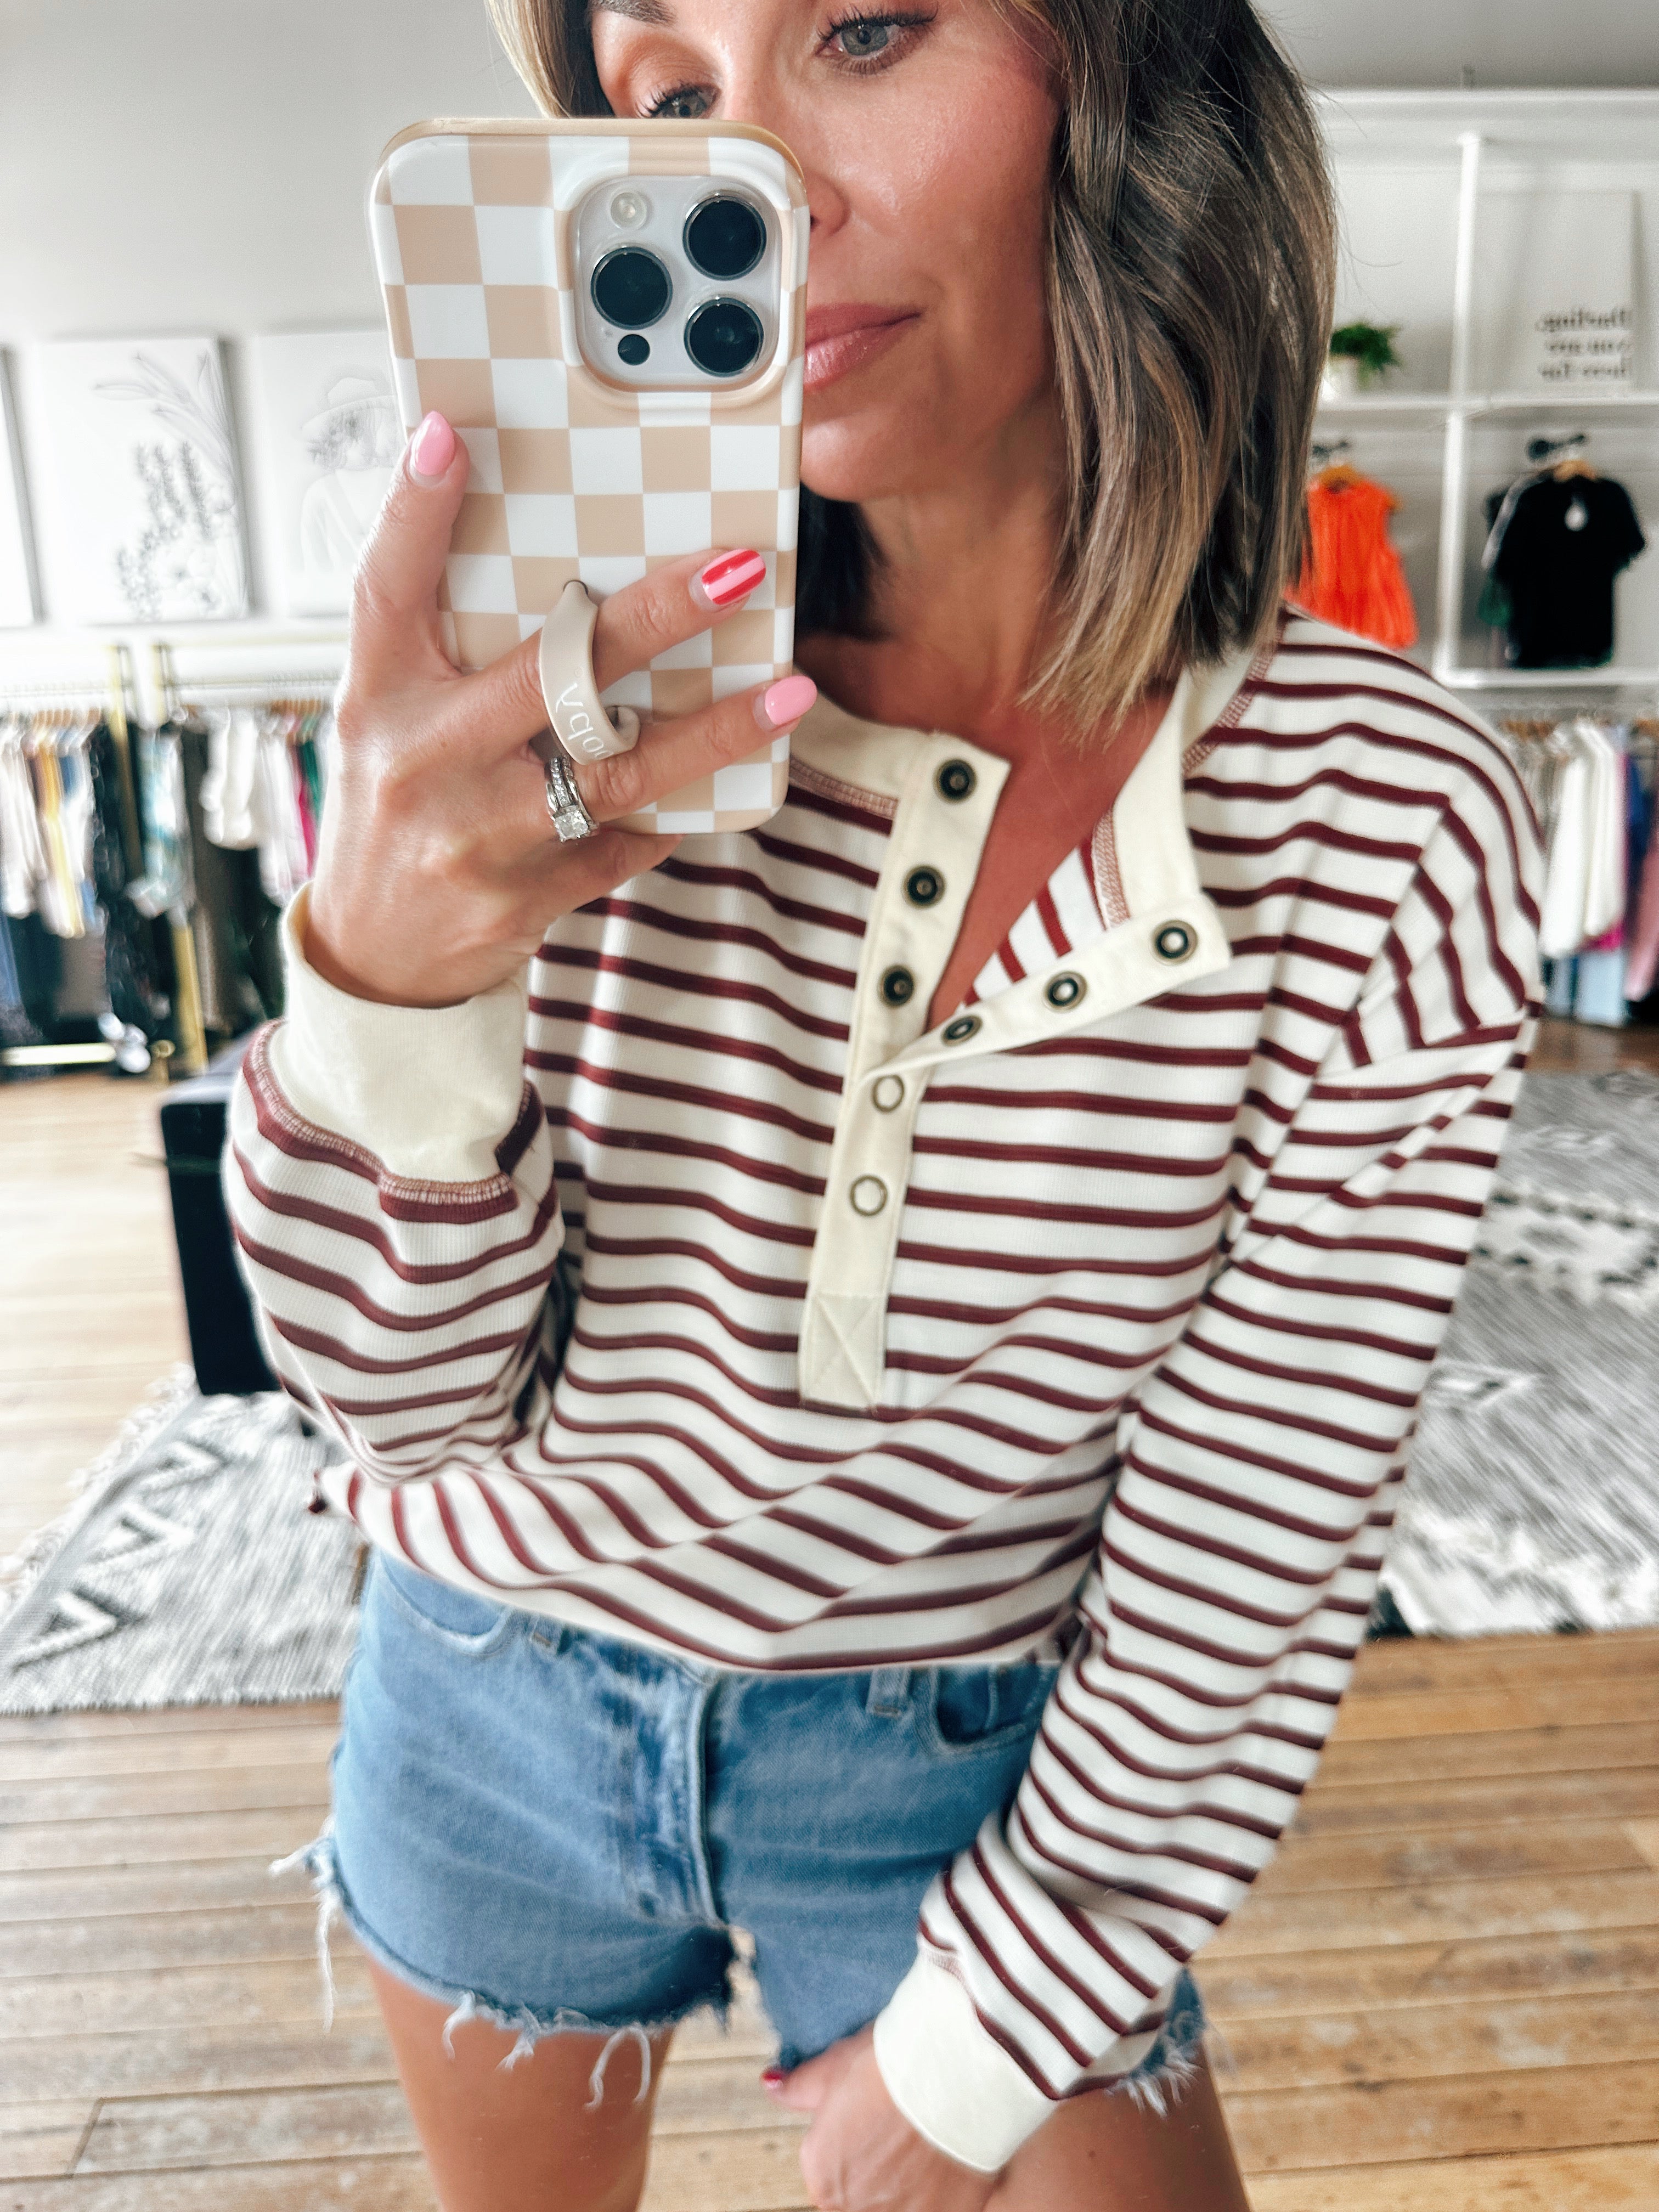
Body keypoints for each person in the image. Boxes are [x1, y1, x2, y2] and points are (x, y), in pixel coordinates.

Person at [227, 3, 1542, 2208]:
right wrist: (387, 978)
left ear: (1130, 77)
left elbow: (1258, 1521)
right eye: (668, 98)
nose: (747, 179)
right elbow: (408, 1408)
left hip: (987, 1764)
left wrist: (980, 2051)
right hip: (485, 1690)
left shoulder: (1384, 816)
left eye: (859, 27)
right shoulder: (545, 709)